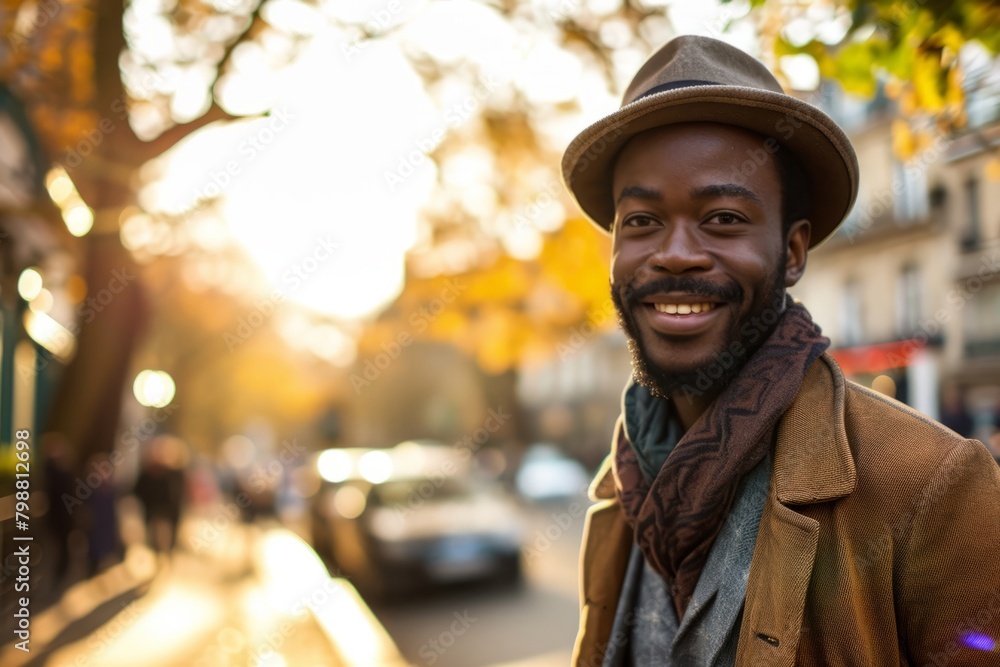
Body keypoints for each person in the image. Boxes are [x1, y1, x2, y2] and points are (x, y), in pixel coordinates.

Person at [560, 35, 1000, 666]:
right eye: (641, 221)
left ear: (792, 253)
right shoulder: (621, 487)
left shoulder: (932, 486)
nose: (675, 251)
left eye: (723, 219)